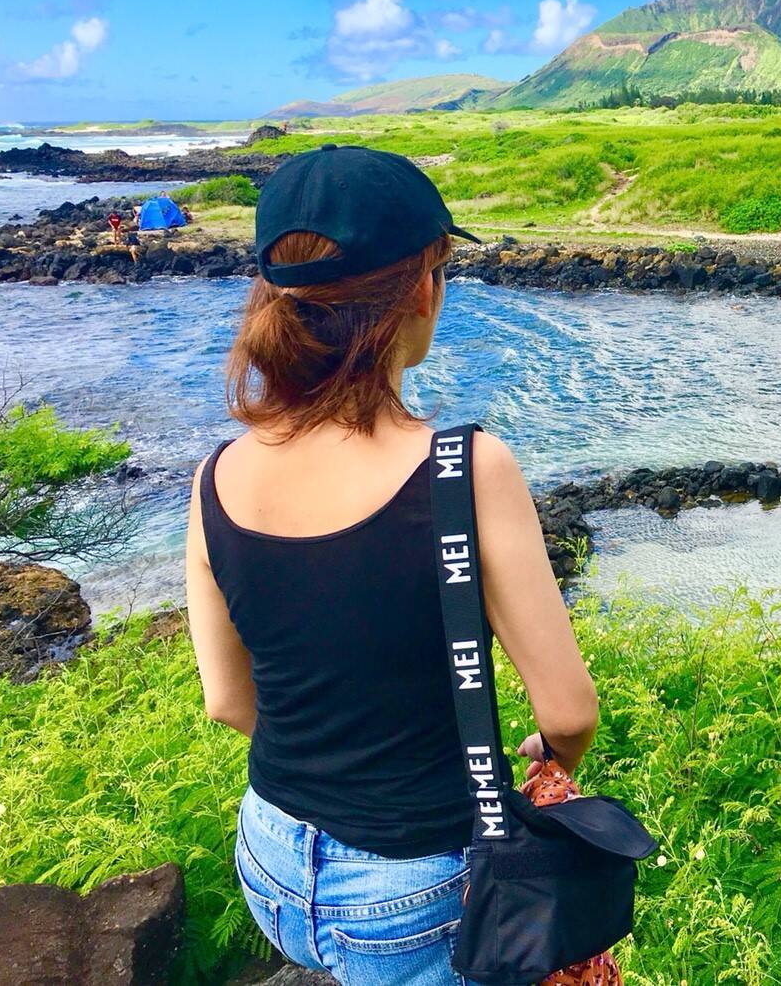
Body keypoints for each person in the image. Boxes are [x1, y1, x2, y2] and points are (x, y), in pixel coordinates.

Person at [185, 145, 597, 984]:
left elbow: (226, 701)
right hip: (414, 891)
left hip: (270, 857)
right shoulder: (466, 470)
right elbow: (569, 711)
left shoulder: (215, 476)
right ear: (420, 290)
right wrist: (550, 756)